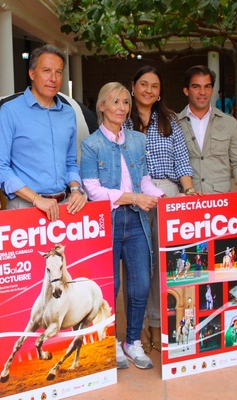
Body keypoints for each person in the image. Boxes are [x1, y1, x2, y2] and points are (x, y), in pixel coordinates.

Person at [80, 82, 163, 370]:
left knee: (140, 284)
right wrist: (133, 197)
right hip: (110, 221)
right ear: (101, 106)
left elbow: (145, 182)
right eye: (114, 102)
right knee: (110, 286)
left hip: (137, 219)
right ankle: (110, 342)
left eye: (125, 102)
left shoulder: (138, 140)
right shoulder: (91, 144)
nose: (121, 108)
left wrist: (162, 198)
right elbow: (92, 190)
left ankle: (132, 342)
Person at [126, 65, 195, 353]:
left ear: (160, 91)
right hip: (133, 198)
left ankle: (156, 322)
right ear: (133, 86)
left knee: (162, 266)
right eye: (143, 84)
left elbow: (181, 161)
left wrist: (188, 191)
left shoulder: (170, 120)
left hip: (167, 195)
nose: (149, 90)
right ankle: (136, 326)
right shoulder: (122, 118)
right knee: (138, 266)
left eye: (155, 86)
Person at [0, 44, 87, 221]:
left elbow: (70, 161)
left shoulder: (68, 113)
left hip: (64, 206)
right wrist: (36, 199)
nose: (53, 78)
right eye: (47, 71)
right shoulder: (10, 111)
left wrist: (75, 190)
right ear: (32, 74)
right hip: (25, 206)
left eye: (59, 72)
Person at [177, 65, 237, 193]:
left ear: (212, 90)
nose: (202, 92)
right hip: (186, 202)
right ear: (186, 90)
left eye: (207, 86)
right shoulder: (175, 124)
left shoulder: (229, 123)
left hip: (220, 201)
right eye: (196, 87)